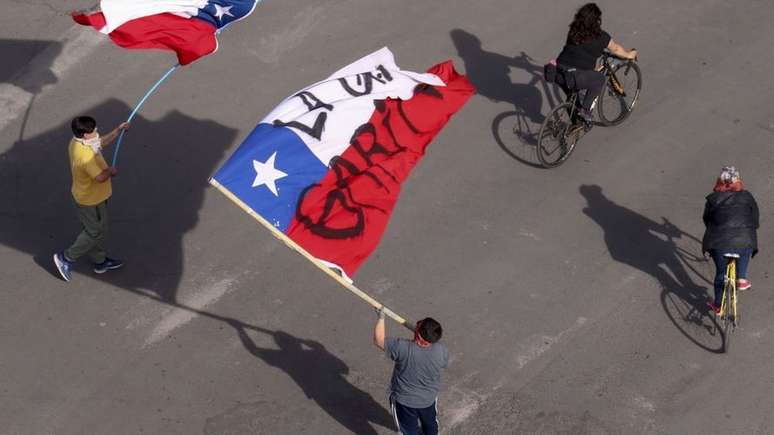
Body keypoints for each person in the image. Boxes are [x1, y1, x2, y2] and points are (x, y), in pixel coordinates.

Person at [53, 116, 129, 282]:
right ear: (86, 135)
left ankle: (100, 262)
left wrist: (118, 130)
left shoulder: (79, 142)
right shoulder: (85, 156)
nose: (97, 132)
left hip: (97, 196)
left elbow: (100, 142)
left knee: (100, 229)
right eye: (93, 131)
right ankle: (65, 258)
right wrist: (110, 172)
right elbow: (100, 177)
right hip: (89, 200)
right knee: (93, 232)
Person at [555, 3, 637, 121]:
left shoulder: (573, 30)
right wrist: (630, 54)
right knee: (599, 79)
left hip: (558, 71)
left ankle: (573, 125)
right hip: (575, 75)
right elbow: (616, 49)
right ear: (596, 21)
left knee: (572, 95)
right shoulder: (601, 37)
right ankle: (585, 111)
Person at [374, 308, 449, 435]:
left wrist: (381, 318)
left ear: (419, 335)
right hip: (428, 400)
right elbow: (442, 362)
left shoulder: (402, 348)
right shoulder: (441, 350)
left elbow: (379, 340)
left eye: (418, 325)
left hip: (405, 402)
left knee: (408, 430)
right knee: (430, 424)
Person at [701, 166, 759, 314]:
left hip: (719, 242)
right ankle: (741, 278)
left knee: (721, 273)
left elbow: (706, 219)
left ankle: (718, 306)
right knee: (745, 246)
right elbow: (755, 219)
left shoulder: (713, 199)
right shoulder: (747, 196)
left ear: (720, 182)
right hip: (744, 239)